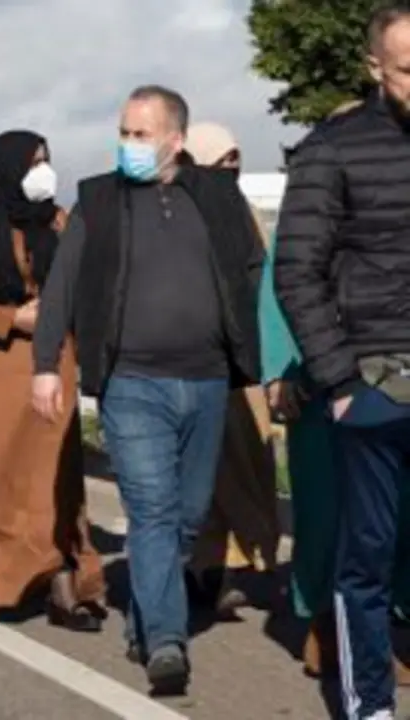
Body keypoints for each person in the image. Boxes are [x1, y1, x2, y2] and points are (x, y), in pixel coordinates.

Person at [32, 85, 263, 693]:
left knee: (187, 516)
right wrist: (46, 363)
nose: (129, 144)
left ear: (176, 140)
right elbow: (61, 285)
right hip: (132, 382)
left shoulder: (217, 197)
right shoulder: (99, 200)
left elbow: (253, 272)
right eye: (124, 132)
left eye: (141, 134)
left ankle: (144, 616)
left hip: (209, 379)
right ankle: (167, 640)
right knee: (154, 511)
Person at [274, 8, 410, 716]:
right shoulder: (334, 148)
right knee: (368, 557)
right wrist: (341, 380)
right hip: (375, 386)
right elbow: (295, 271)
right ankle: (370, 706)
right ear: (376, 70)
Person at [0, 131, 106, 634]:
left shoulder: (57, 219)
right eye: (33, 163)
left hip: (54, 361)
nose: (43, 172)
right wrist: (12, 318)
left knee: (56, 478)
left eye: (47, 161)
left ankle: (62, 580)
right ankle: (2, 579)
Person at [181, 123, 282, 617]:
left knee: (248, 466)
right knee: (210, 473)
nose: (232, 169)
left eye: (236, 159)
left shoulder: (242, 212)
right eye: (222, 160)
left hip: (248, 365)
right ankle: (204, 568)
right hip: (200, 365)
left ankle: (228, 566)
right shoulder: (177, 213)